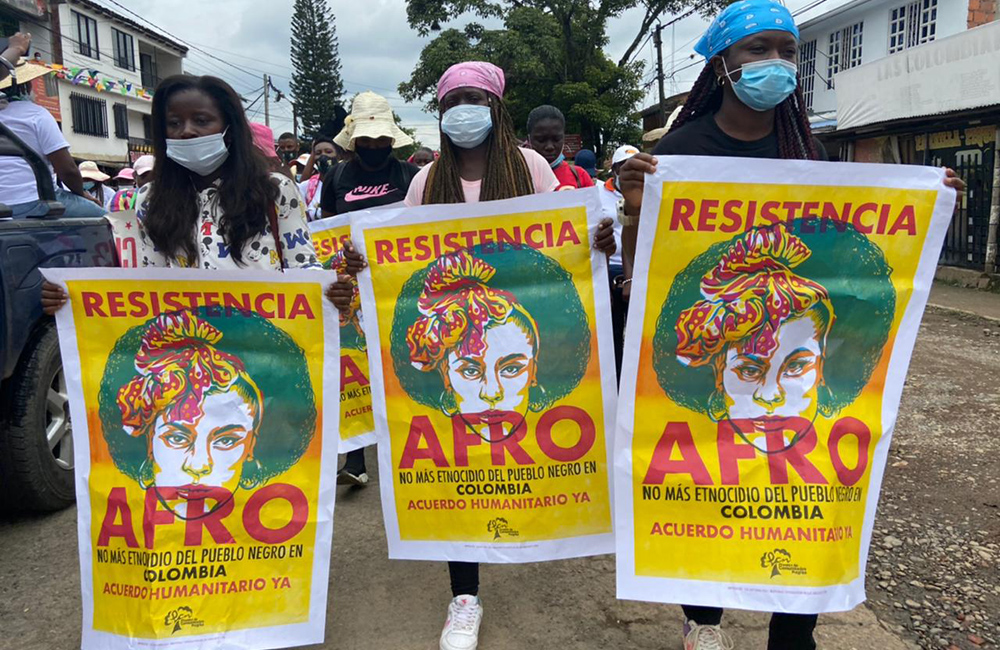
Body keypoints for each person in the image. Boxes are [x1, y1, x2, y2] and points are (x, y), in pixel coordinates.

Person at [615, 2, 966, 648]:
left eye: (787, 49)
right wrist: (637, 214)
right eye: (759, 50)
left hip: (798, 362)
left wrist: (929, 205)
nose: (777, 62)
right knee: (708, 498)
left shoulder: (812, 152)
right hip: (725, 370)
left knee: (800, 510)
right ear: (723, 65)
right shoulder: (682, 154)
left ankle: (792, 633)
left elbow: (856, 260)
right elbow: (644, 279)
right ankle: (704, 624)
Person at [329, 60, 616, 650]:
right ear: (440, 112)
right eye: (453, 99)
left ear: (497, 107)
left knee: (520, 458)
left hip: (514, 339)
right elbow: (399, 264)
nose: (464, 109)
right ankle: (464, 596)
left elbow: (564, 236)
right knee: (457, 473)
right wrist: (360, 266)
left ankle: (524, 535)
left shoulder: (533, 167)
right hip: (457, 347)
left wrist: (597, 239)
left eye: (475, 98)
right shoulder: (424, 181)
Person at [42, 74, 322, 313]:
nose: (186, 132)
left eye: (201, 121)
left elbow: (305, 266)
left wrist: (332, 291)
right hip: (188, 352)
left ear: (230, 130)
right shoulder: (149, 199)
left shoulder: (275, 190)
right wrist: (71, 299)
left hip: (267, 351)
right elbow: (146, 283)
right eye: (174, 123)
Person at [321, 90, 418, 487]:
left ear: (392, 139)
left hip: (400, 286)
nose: (375, 146)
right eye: (367, 139)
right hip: (353, 289)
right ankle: (356, 462)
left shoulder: (410, 176)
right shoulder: (336, 177)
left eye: (382, 139)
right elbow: (325, 232)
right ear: (354, 139)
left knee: (402, 362)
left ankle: (409, 450)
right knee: (356, 370)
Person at [0, 33, 106, 218]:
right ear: (27, 86)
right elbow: (68, 170)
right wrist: (82, 194)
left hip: (4, 207)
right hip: (37, 202)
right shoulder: (37, 114)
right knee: (106, 219)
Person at [599, 144, 638, 378]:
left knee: (636, 332)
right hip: (610, 268)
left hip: (638, 269)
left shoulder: (649, 192)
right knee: (612, 332)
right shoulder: (598, 193)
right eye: (624, 168)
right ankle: (615, 377)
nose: (630, 173)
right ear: (614, 169)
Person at [525, 105, 594, 190]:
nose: (549, 147)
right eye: (541, 140)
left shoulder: (580, 176)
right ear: (529, 139)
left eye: (556, 139)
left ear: (563, 137)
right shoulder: (517, 176)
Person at [297, 134, 337, 221]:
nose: (323, 156)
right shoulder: (306, 187)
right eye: (318, 153)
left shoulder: (346, 182)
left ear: (338, 156)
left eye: (328, 152)